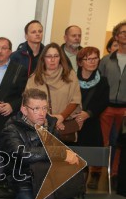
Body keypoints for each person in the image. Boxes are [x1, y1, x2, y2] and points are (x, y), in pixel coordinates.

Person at [0, 88, 81, 199]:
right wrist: (55, 152)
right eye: (35, 108)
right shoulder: (11, 127)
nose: (41, 113)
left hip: (48, 180)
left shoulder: (50, 124)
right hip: (21, 181)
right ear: (24, 110)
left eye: (44, 108)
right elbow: (21, 153)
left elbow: (60, 152)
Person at [25, 42, 81, 139]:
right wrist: (50, 120)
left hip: (64, 126)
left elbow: (75, 100)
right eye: (49, 56)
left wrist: (61, 117)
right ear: (43, 59)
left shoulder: (70, 75)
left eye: (56, 56)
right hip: (39, 127)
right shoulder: (34, 78)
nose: (52, 60)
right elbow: (27, 103)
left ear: (61, 58)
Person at [74, 47, 109, 189]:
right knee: (72, 158)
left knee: (86, 158)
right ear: (81, 62)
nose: (93, 62)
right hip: (73, 124)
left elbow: (103, 101)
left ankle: (81, 190)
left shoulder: (103, 81)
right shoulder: (71, 78)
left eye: (95, 58)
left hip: (91, 124)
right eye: (89, 59)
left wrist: (88, 113)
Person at [0, 37, 28, 144]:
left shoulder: (20, 70)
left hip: (10, 124)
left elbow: (24, 96)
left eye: (4, 48)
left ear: (10, 52)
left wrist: (12, 106)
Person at [98, 21, 126, 187]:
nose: (125, 35)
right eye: (122, 32)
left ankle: (115, 174)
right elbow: (99, 84)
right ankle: (95, 173)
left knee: (119, 144)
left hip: (124, 109)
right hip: (106, 107)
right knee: (103, 142)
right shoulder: (106, 60)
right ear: (116, 36)